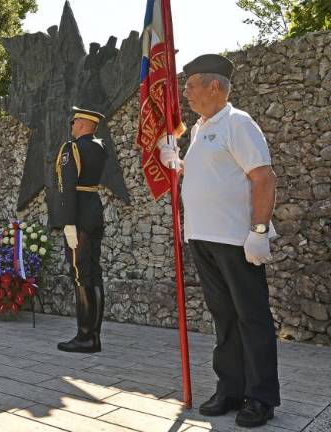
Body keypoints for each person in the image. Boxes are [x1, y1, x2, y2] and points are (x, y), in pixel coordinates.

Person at [165, 54, 279, 428]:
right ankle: (230, 388)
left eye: (190, 85)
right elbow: (210, 176)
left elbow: (264, 178)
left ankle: (261, 397)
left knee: (252, 317)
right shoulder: (200, 129)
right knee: (224, 319)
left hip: (235, 239)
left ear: (214, 86)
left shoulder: (237, 123)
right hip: (202, 236)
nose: (185, 93)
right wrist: (176, 162)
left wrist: (259, 231)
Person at [55, 107, 108, 354]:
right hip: (94, 210)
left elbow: (67, 186)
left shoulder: (72, 148)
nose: (72, 125)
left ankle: (85, 337)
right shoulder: (100, 146)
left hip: (78, 216)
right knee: (94, 273)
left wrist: (68, 222)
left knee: (80, 274)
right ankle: (94, 336)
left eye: (75, 121)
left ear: (84, 124)